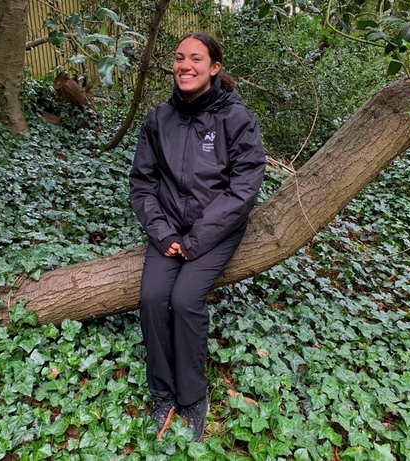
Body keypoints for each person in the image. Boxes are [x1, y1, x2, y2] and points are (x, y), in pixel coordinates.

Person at [128, 32, 265, 442]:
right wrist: (163, 231)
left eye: (196, 59)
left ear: (214, 68)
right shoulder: (159, 118)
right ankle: (162, 394)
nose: (185, 66)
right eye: (179, 58)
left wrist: (195, 241)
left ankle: (192, 398)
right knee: (152, 298)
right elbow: (141, 183)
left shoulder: (236, 119)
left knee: (185, 300)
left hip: (216, 230)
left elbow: (243, 189)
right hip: (167, 227)